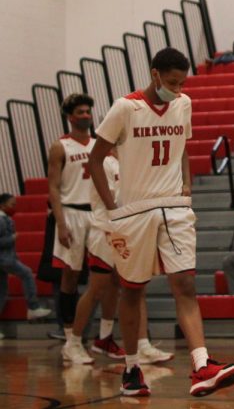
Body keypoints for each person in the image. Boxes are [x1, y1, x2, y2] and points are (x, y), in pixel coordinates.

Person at [89, 48, 234, 397]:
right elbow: (96, 159)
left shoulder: (183, 104)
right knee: (133, 289)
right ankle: (131, 369)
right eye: (171, 82)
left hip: (174, 206)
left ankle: (202, 364)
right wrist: (113, 207)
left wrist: (186, 182)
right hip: (134, 210)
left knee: (186, 284)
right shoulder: (125, 107)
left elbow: (182, 148)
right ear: (155, 74)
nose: (177, 89)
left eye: (182, 83)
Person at [69, 148, 174, 366]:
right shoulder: (105, 163)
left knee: (135, 287)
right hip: (106, 230)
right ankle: (73, 343)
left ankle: (142, 345)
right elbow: (115, 198)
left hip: (128, 230)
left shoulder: (130, 163)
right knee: (97, 288)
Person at [47, 93, 118, 364]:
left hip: (98, 214)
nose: (86, 115)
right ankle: (70, 337)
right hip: (73, 212)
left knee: (106, 276)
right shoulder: (60, 146)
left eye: (88, 111)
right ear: (70, 116)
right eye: (80, 112)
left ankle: (101, 337)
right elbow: (53, 187)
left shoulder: (100, 145)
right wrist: (61, 222)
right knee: (71, 276)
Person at [0, 193, 52, 337]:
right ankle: (33, 307)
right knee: (27, 273)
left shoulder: (5, 218)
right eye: (12, 204)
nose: (15, 207)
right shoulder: (2, 220)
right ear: (2, 205)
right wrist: (12, 238)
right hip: (5, 259)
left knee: (2, 292)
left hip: (5, 258)